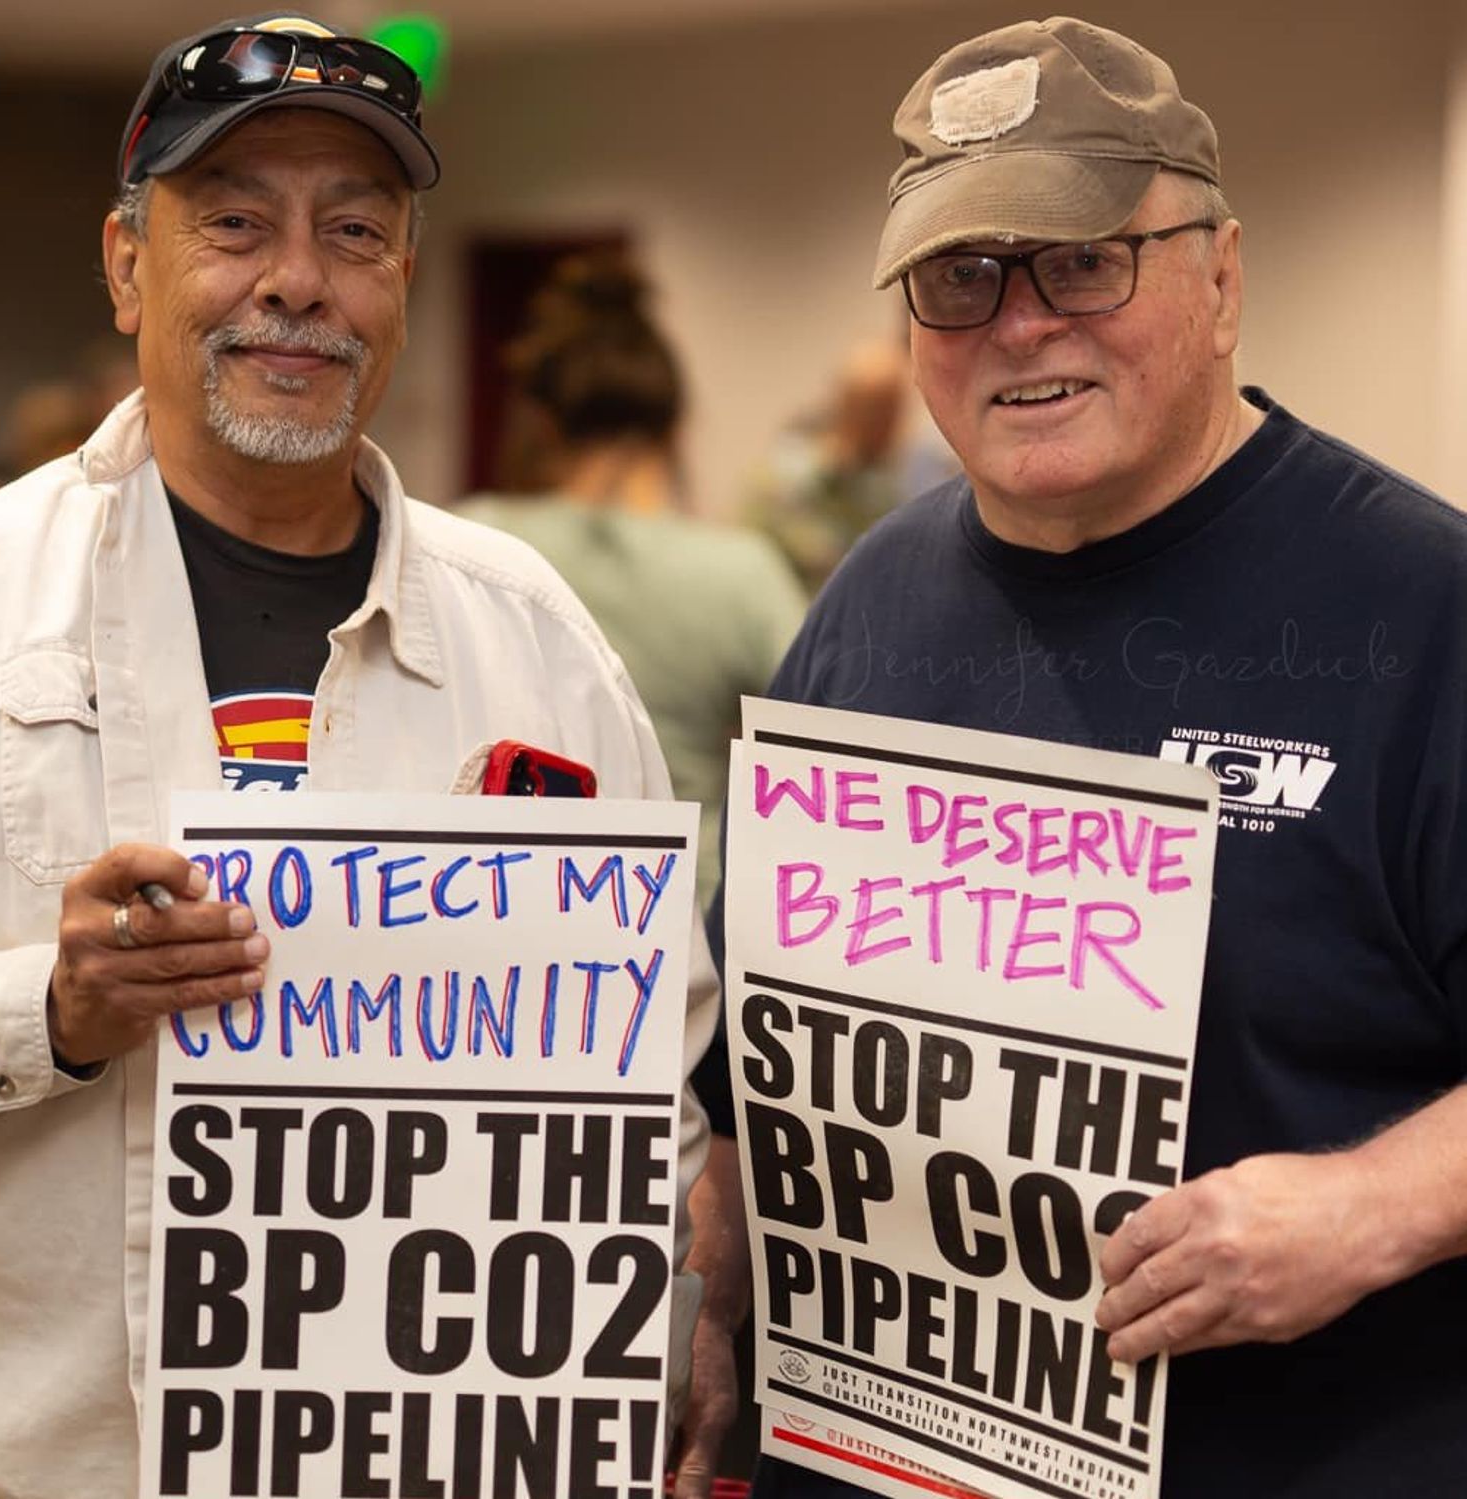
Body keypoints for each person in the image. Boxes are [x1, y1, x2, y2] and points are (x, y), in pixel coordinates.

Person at [0, 14, 716, 1496]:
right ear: (126, 268)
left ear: (402, 283)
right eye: (234, 223)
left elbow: (654, 1076)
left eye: (354, 230)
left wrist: (674, 1328)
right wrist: (44, 1008)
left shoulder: (532, 639)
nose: (298, 279)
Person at [687, 17, 1467, 1499]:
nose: (1020, 324)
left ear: (1220, 278)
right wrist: (706, 1286)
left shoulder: (1425, 610)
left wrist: (1370, 1204)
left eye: (1082, 262)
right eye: (960, 279)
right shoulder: (867, 601)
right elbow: (755, 1054)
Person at [459, 253, 806, 909]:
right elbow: (822, 758)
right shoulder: (740, 571)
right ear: (675, 425)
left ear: (546, 424)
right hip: (688, 916)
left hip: (510, 905)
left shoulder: (476, 543)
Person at [742, 338, 955, 594]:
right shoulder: (781, 485)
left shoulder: (890, 487)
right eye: (882, 411)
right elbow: (748, 574)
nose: (897, 427)